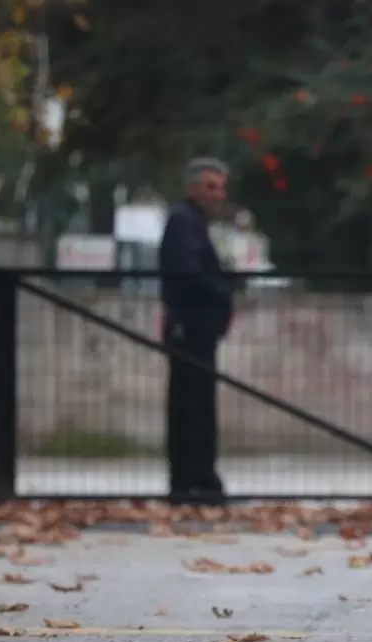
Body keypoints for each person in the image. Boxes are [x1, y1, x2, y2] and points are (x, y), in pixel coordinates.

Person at [159, 158, 234, 506]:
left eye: (220, 187)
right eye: (210, 186)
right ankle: (193, 480)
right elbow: (188, 274)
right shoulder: (183, 223)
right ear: (192, 189)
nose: (218, 195)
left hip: (197, 329)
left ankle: (197, 478)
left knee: (197, 406)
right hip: (190, 329)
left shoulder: (192, 224)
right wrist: (222, 292)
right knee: (191, 408)